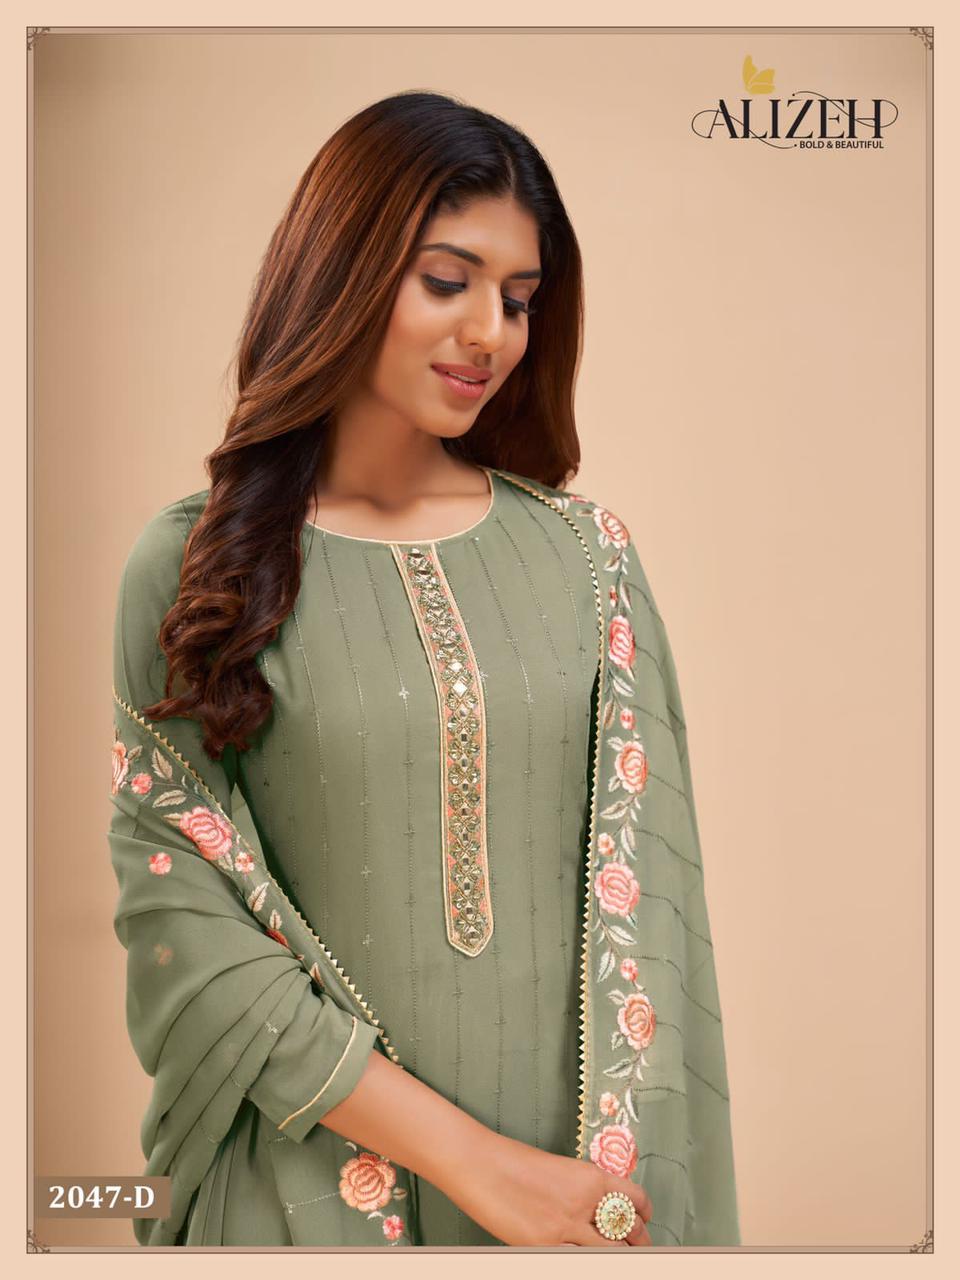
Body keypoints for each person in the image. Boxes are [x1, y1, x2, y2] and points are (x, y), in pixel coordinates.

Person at [108, 89, 740, 1249]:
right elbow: (183, 925)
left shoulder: (589, 561)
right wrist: (476, 1164)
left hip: (572, 1201)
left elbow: (652, 931)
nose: (490, 331)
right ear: (340, 271)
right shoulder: (197, 566)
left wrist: (576, 1193)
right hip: (300, 1197)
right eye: (448, 280)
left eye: (519, 298)